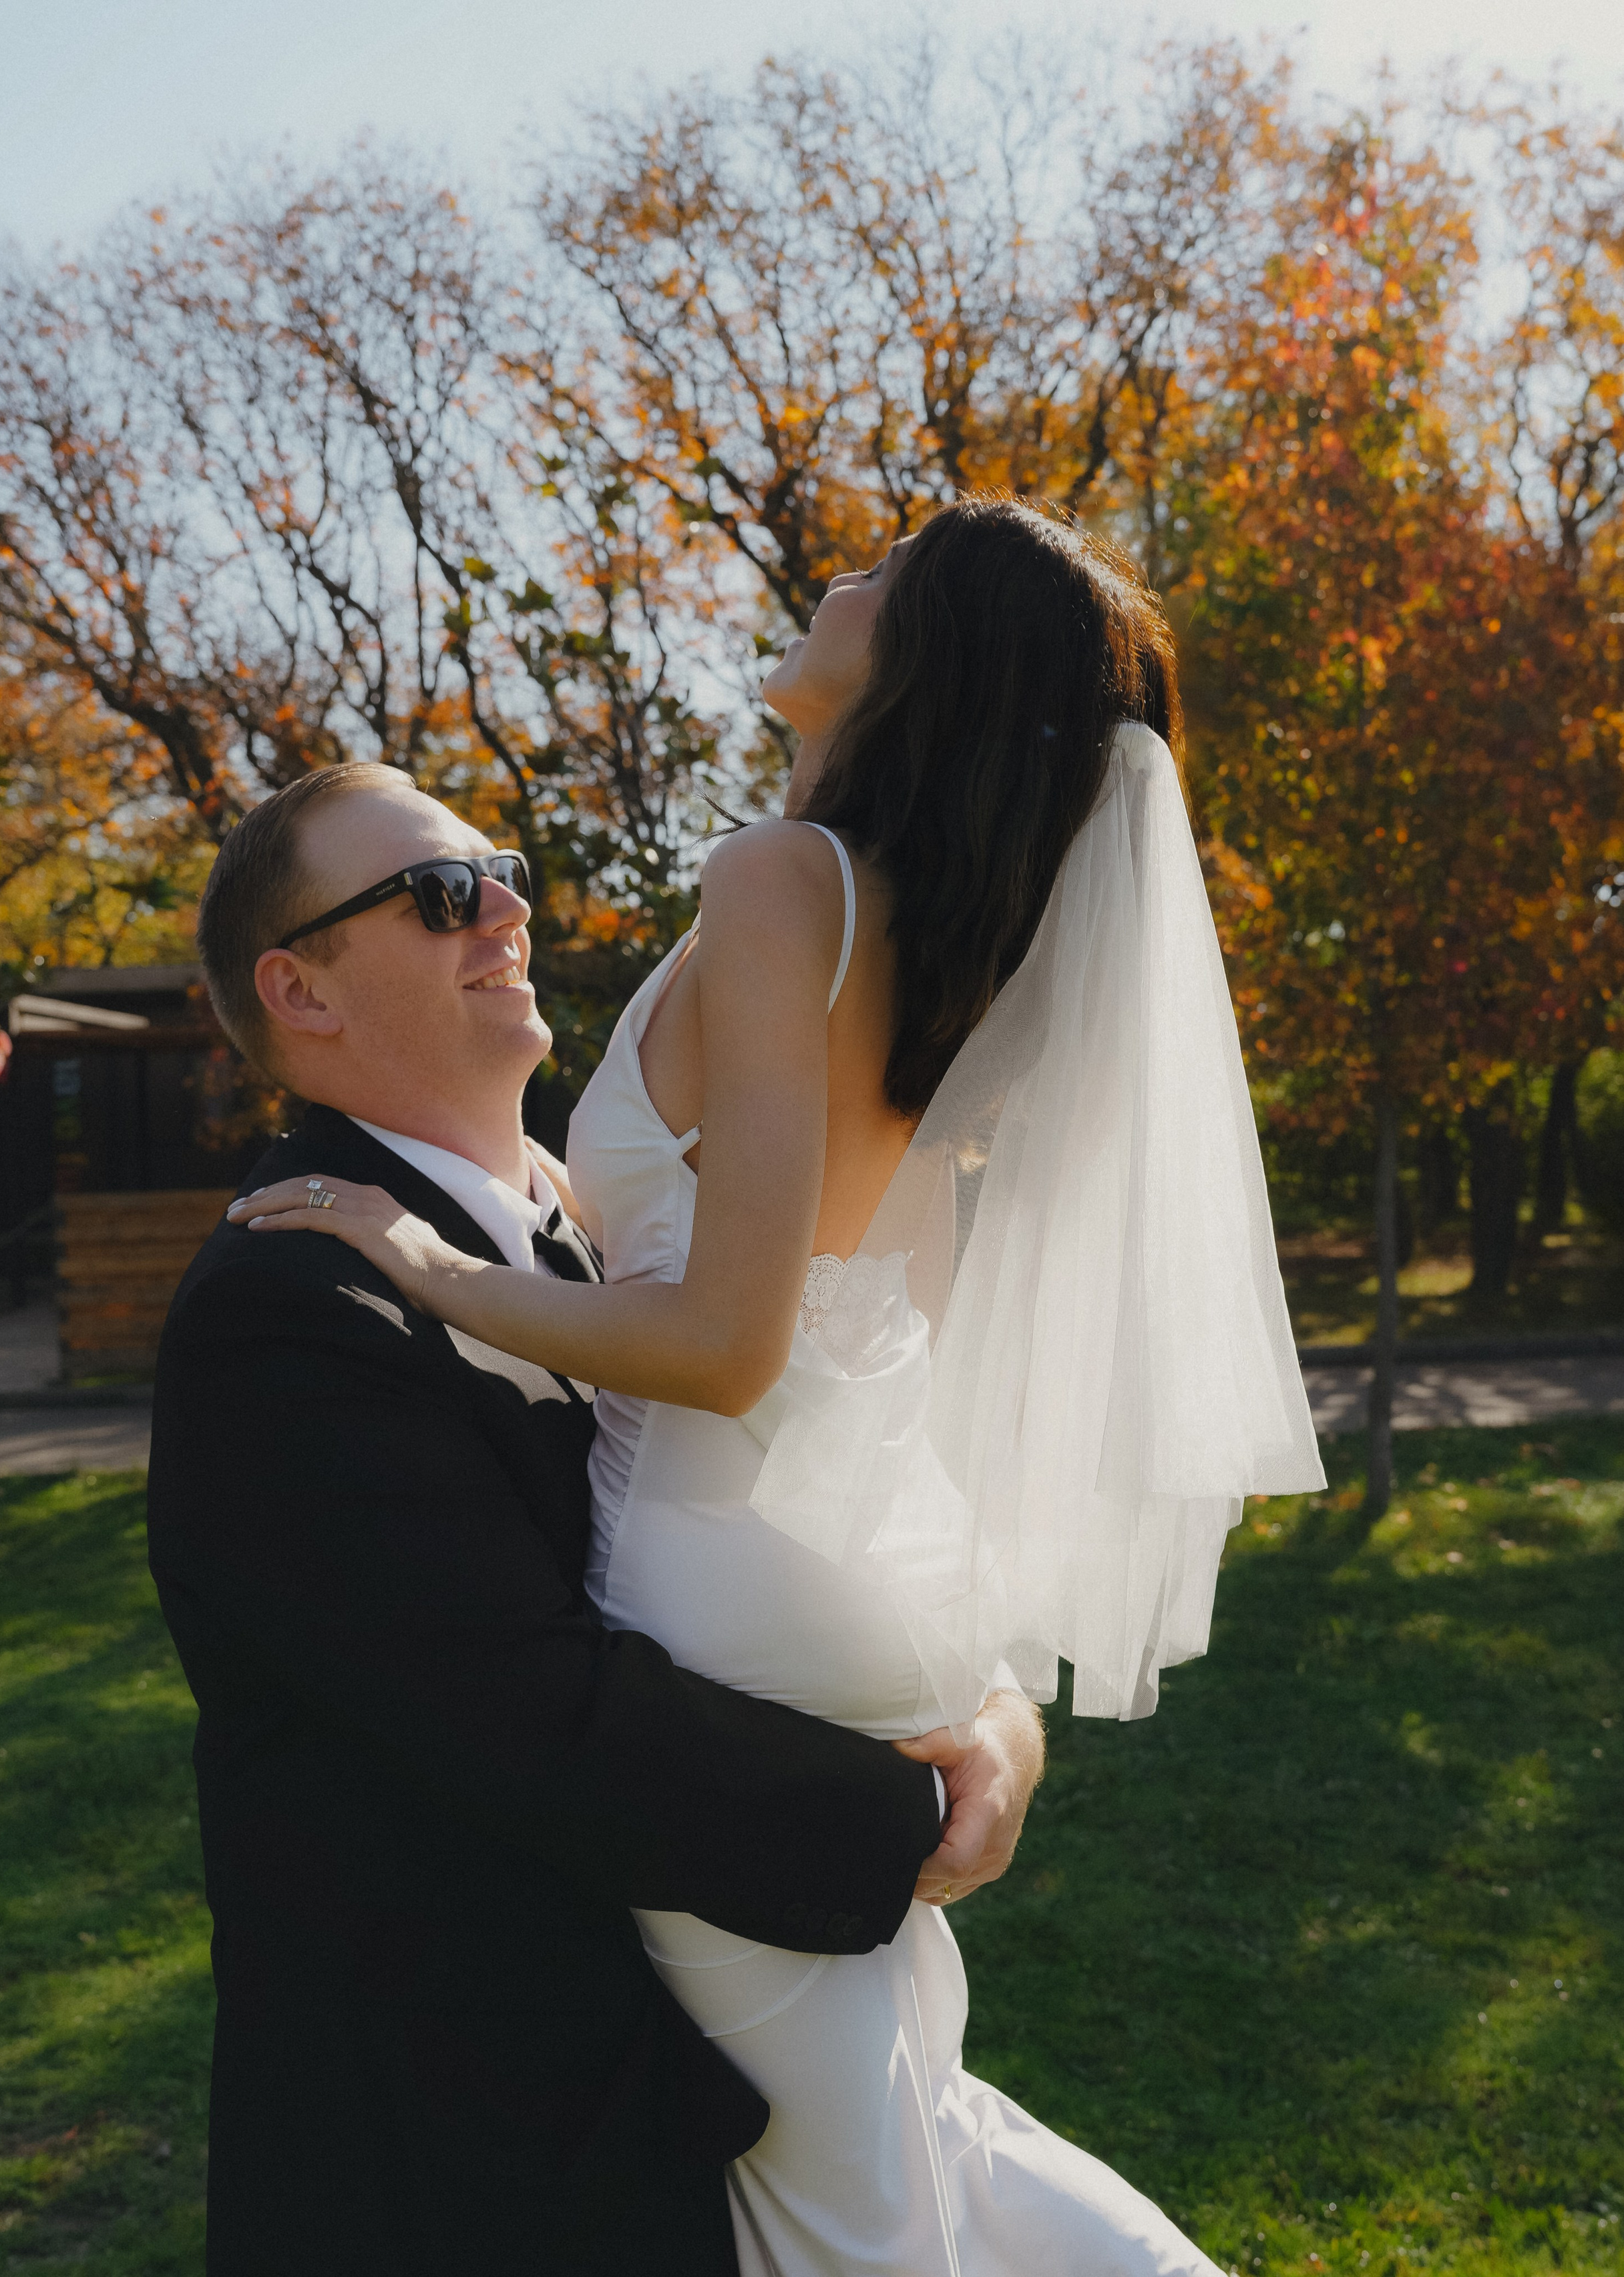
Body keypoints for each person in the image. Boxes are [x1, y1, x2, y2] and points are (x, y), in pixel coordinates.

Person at [218, 499, 1326, 2272]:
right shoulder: (931, 952)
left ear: (918, 659)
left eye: (892, 570)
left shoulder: (779, 882)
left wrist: (436, 1271)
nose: (848, 567)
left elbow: (729, 1341)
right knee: (907, 2121)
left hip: (718, 1574)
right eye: (445, 890)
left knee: (848, 2203)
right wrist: (978, 1696)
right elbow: (879, 1329)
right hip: (872, 1581)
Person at [148, 748, 1046, 2277]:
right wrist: (901, 1818)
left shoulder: (591, 1239)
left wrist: (995, 1721)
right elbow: (532, 1717)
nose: (503, 902)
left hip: (687, 2104)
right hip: (468, 2164)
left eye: (493, 869)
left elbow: (847, 1492)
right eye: (440, 893)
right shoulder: (284, 1307)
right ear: (300, 991)